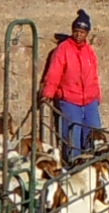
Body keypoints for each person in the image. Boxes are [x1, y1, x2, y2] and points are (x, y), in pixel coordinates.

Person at [41, 9, 102, 159]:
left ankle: (91, 167)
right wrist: (48, 92)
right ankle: (73, 165)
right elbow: (55, 73)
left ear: (87, 33)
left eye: (82, 32)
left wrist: (97, 96)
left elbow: (94, 75)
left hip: (89, 101)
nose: (78, 35)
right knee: (72, 137)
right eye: (76, 31)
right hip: (70, 100)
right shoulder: (63, 49)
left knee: (93, 135)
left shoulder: (89, 51)